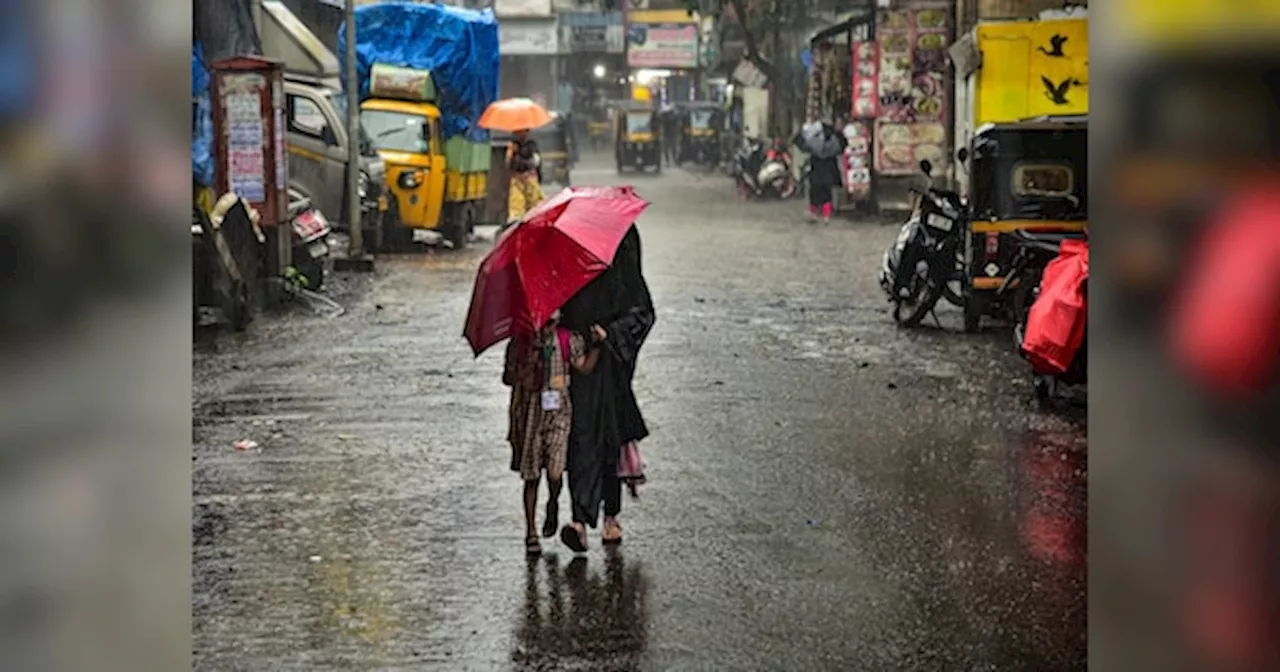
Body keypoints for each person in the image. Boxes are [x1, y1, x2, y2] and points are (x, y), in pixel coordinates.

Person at [558, 225, 655, 552]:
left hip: (613, 369)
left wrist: (610, 334)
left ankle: (611, 516)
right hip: (580, 368)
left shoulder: (625, 278)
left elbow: (642, 315)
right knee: (580, 438)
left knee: (611, 439)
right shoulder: (570, 273)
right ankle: (580, 520)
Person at [504, 311, 601, 556]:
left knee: (556, 471)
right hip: (529, 416)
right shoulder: (521, 342)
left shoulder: (567, 340)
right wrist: (523, 372)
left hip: (558, 414)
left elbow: (584, 366)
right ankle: (531, 532)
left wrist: (598, 345)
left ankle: (553, 501)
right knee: (531, 476)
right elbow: (508, 376)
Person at [795, 120, 847, 223]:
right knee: (826, 194)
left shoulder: (814, 142)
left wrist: (801, 133)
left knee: (815, 192)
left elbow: (801, 144)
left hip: (816, 172)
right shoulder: (834, 141)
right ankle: (826, 216)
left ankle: (813, 212)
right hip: (829, 172)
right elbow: (843, 146)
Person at [507, 129, 545, 224]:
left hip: (530, 179)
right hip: (517, 180)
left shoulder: (531, 144)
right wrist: (510, 154)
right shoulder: (512, 145)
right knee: (516, 203)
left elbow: (534, 162)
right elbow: (510, 164)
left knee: (534, 204)